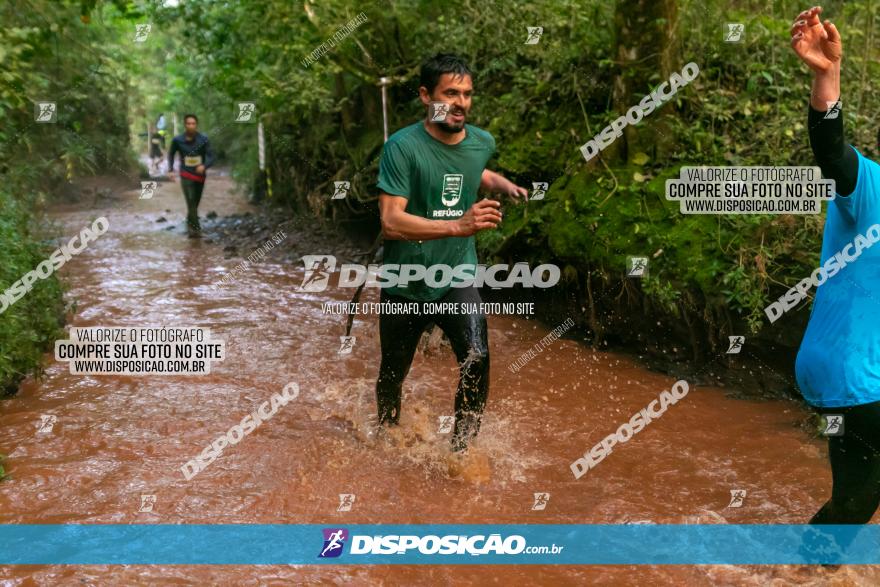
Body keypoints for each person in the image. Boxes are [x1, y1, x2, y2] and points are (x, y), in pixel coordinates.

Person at [375, 53, 527, 452]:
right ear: (426, 95)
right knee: (393, 374)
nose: (460, 102)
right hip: (405, 281)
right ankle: (386, 437)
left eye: (467, 94)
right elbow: (391, 221)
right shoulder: (401, 148)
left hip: (455, 275)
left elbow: (473, 170)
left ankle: (460, 452)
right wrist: (458, 224)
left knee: (477, 358)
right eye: (450, 93)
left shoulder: (482, 142)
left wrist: (502, 184)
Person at [791, 6, 880, 525]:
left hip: (851, 377)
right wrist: (828, 74)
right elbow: (831, 150)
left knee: (856, 497)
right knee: (861, 491)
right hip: (849, 371)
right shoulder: (868, 187)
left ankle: (799, 573)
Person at [167, 114, 215, 237]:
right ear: (185, 125)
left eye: (193, 124)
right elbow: (171, 154)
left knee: (196, 202)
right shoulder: (177, 140)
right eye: (188, 123)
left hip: (200, 175)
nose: (191, 126)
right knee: (191, 202)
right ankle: (196, 229)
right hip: (185, 174)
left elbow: (211, 156)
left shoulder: (203, 139)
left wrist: (204, 166)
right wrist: (171, 169)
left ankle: (189, 223)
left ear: (196, 125)